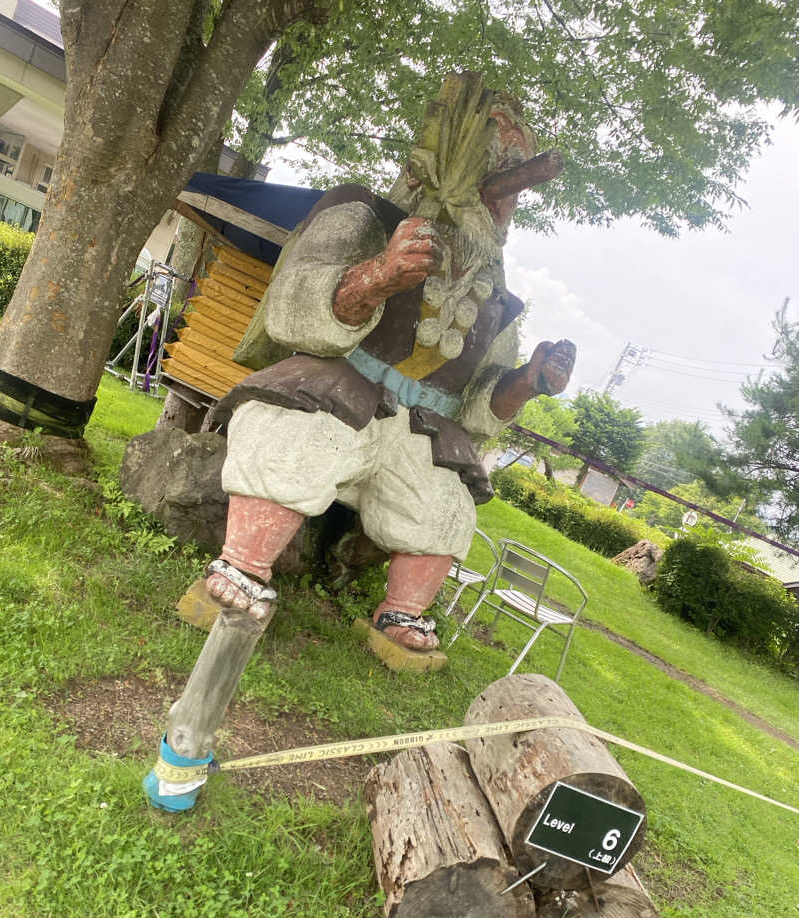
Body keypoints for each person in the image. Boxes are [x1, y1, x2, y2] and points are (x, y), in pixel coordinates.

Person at [204, 91, 575, 654]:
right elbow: (291, 308)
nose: (495, 199)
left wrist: (527, 383)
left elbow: (477, 406)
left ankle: (401, 614)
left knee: (447, 503)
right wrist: (377, 275)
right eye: (488, 168)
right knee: (297, 436)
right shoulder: (361, 217)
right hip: (338, 385)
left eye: (508, 187)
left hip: (422, 427)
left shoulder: (499, 300)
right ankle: (242, 568)